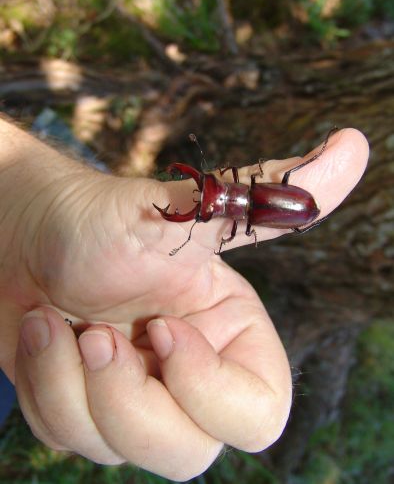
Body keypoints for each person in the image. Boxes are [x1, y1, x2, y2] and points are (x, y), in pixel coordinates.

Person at [0, 114, 369, 481]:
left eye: (209, 202)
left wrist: (27, 211)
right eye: (211, 200)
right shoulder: (252, 201)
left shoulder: (252, 201)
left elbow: (257, 202)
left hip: (294, 208)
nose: (207, 197)